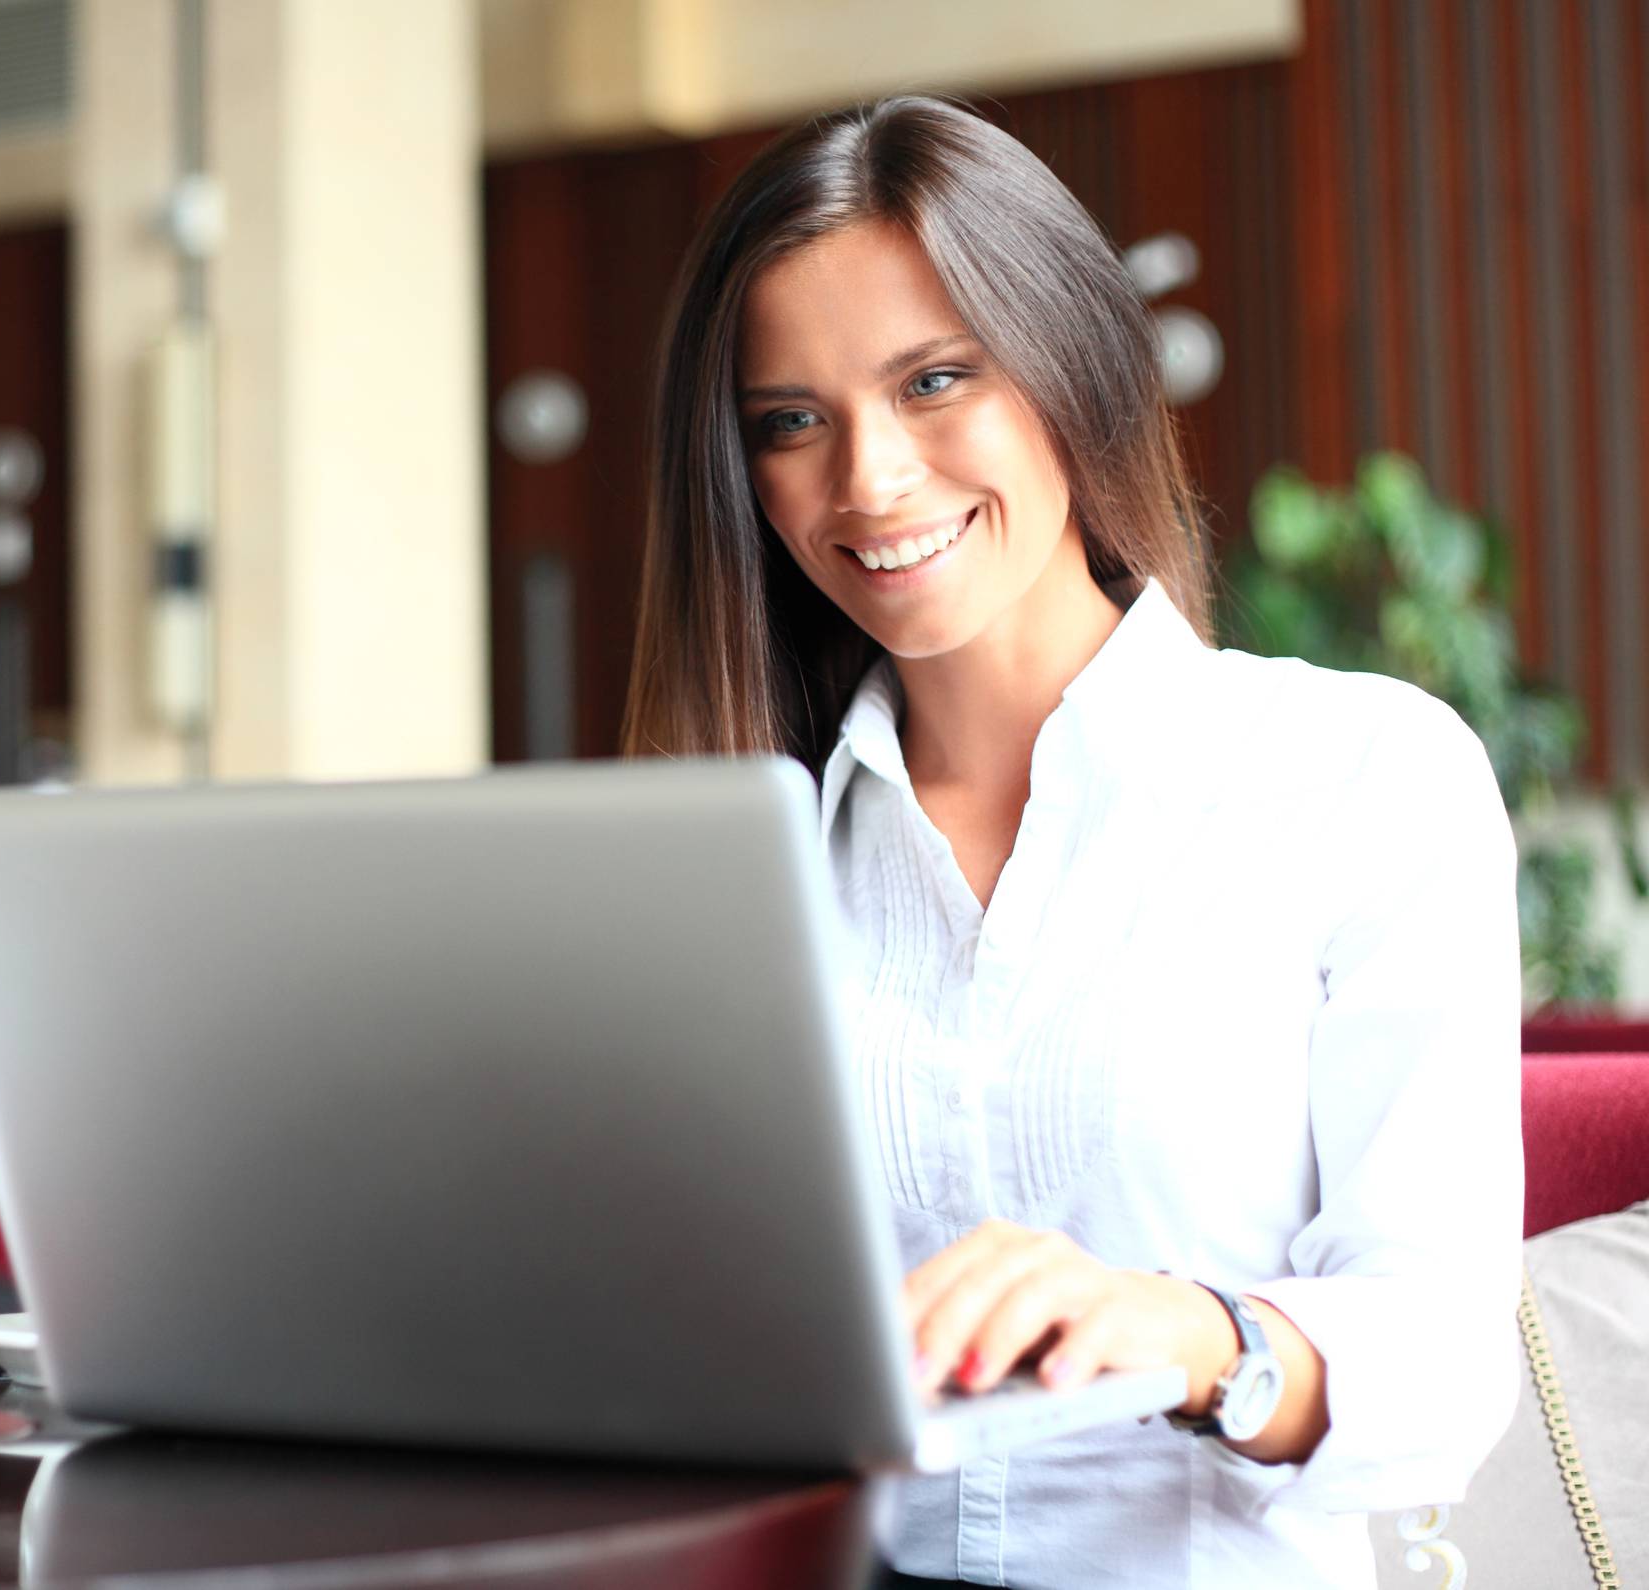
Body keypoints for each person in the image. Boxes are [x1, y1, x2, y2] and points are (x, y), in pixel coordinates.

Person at [621, 96, 1522, 1589]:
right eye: (792, 421)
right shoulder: (729, 854)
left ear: (1072, 370)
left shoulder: (1361, 775)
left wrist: (1197, 1336)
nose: (870, 480)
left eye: (934, 380)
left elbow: (1439, 1360)